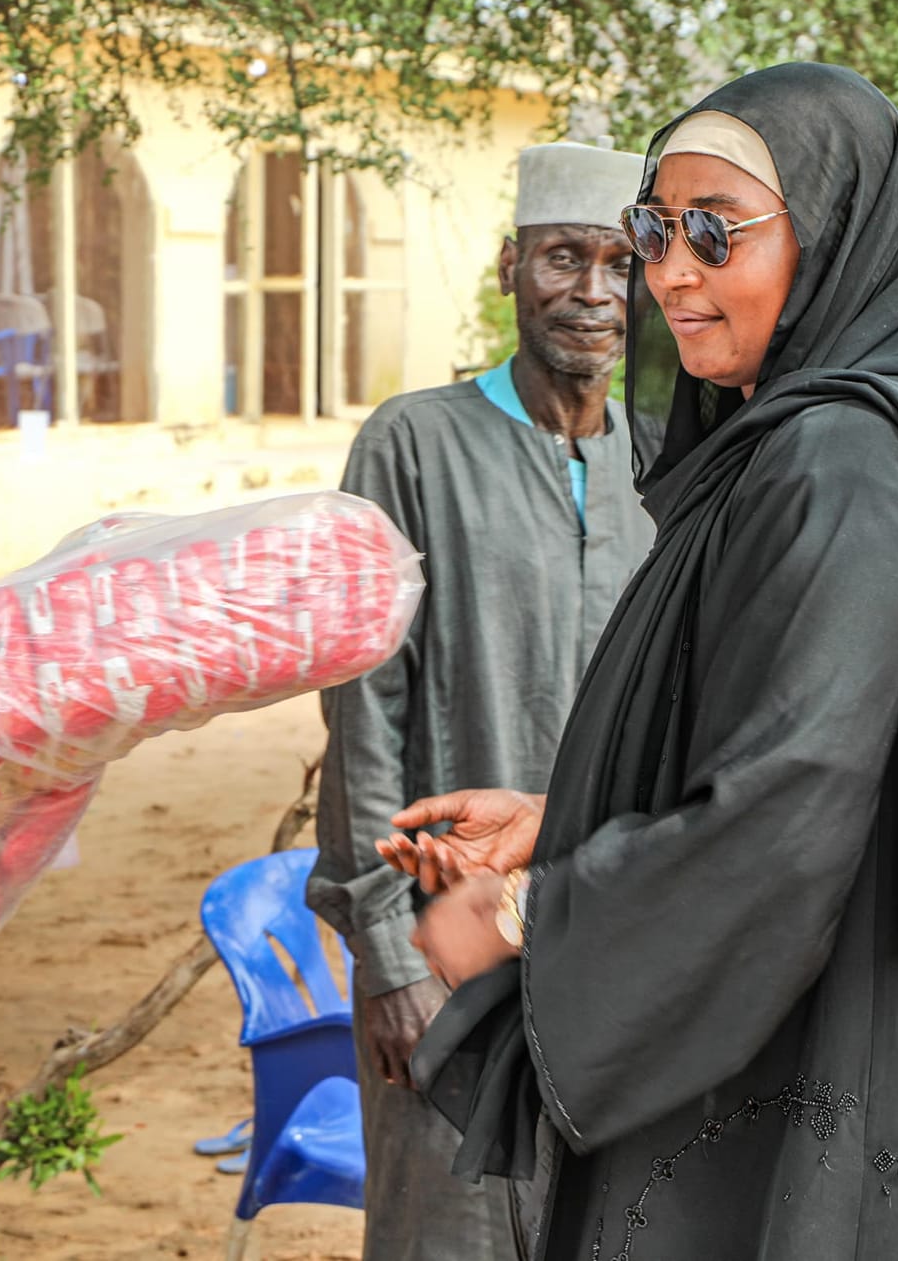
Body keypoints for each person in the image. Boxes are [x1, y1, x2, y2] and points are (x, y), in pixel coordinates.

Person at [385, 63, 898, 1260]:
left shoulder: (842, 460)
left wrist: (535, 908)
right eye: (653, 230)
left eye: (715, 233)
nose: (668, 273)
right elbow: (862, 750)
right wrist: (563, 815)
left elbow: (792, 805)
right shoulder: (836, 440)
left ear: (831, 236)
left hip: (892, 1090)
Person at [306, 140, 653, 1260]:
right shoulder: (411, 443)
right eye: (562, 258)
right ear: (509, 265)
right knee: (447, 1226)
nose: (591, 294)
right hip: (444, 938)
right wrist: (388, 953)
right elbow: (366, 710)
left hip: (620, 943)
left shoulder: (662, 465)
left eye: (617, 261)